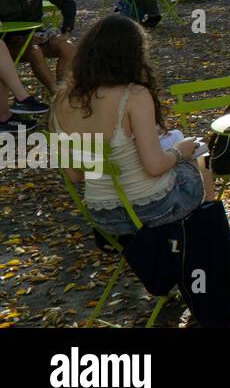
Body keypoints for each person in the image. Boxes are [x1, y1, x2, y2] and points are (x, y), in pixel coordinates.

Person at [47, 14, 216, 236]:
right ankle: (204, 244)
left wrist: (116, 159)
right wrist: (179, 151)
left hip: (103, 217)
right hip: (151, 210)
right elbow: (154, 166)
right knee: (199, 160)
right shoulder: (133, 95)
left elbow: (75, 175)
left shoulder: (60, 100)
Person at [0, 0, 77, 95]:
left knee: (67, 46)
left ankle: (64, 90)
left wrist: (66, 32)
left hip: (37, 36)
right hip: (8, 44)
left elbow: (68, 3)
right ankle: (56, 93)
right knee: (33, 49)